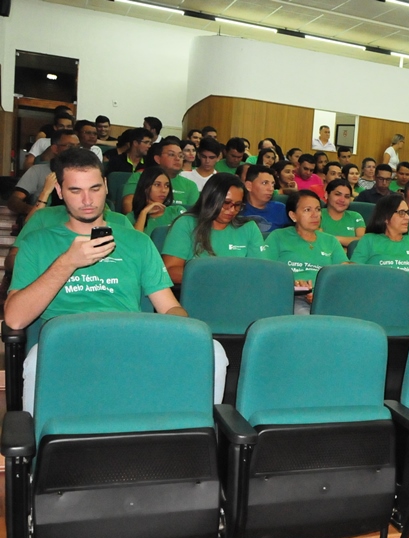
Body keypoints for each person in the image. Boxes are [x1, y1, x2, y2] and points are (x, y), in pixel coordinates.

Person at [6, 147, 225, 413]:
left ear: (106, 186)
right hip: (68, 343)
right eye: (75, 190)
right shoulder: (37, 243)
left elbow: (169, 306)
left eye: (95, 188)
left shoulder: (137, 242)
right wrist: (67, 262)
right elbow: (15, 319)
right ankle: (38, 437)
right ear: (60, 192)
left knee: (212, 350)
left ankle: (192, 431)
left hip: (128, 338)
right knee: (35, 361)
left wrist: (184, 331)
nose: (87, 200)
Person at [161, 174, 268, 284]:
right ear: (210, 199)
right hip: (201, 289)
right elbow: (170, 270)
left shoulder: (249, 227)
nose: (232, 210)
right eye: (226, 203)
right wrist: (217, 278)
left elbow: (261, 271)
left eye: (237, 205)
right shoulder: (186, 223)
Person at [265, 190, 348, 314]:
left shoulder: (330, 241)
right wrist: (292, 285)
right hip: (290, 297)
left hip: (326, 298)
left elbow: (344, 273)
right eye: (307, 210)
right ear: (293, 215)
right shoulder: (278, 237)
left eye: (318, 209)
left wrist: (321, 295)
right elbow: (266, 272)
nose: (315, 215)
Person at [350, 194, 409, 315]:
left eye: (407, 213)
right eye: (401, 213)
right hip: (379, 303)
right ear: (386, 216)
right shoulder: (369, 240)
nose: (407, 217)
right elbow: (353, 275)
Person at [8, 130, 79, 216]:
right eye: (70, 146)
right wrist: (34, 211)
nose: (76, 150)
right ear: (55, 149)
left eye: (78, 146)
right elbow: (14, 201)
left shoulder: (84, 173)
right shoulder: (37, 171)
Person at [120, 138, 200, 213]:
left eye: (180, 156)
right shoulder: (139, 177)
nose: (177, 159)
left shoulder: (190, 185)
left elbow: (194, 214)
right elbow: (128, 205)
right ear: (158, 159)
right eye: (171, 155)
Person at [130, 166, 186, 236]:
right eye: (157, 185)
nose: (163, 190)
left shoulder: (177, 211)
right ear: (145, 187)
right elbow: (135, 240)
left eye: (167, 186)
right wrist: (144, 213)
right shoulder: (131, 217)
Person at [241, 165, 289, 233]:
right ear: (249, 186)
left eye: (272, 184)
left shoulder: (280, 209)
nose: (271, 189)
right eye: (265, 183)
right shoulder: (237, 210)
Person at [320, 179, 365, 248]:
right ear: (326, 195)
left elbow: (362, 242)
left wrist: (334, 239)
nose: (342, 200)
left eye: (347, 196)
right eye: (338, 194)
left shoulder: (355, 216)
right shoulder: (317, 215)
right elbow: (320, 241)